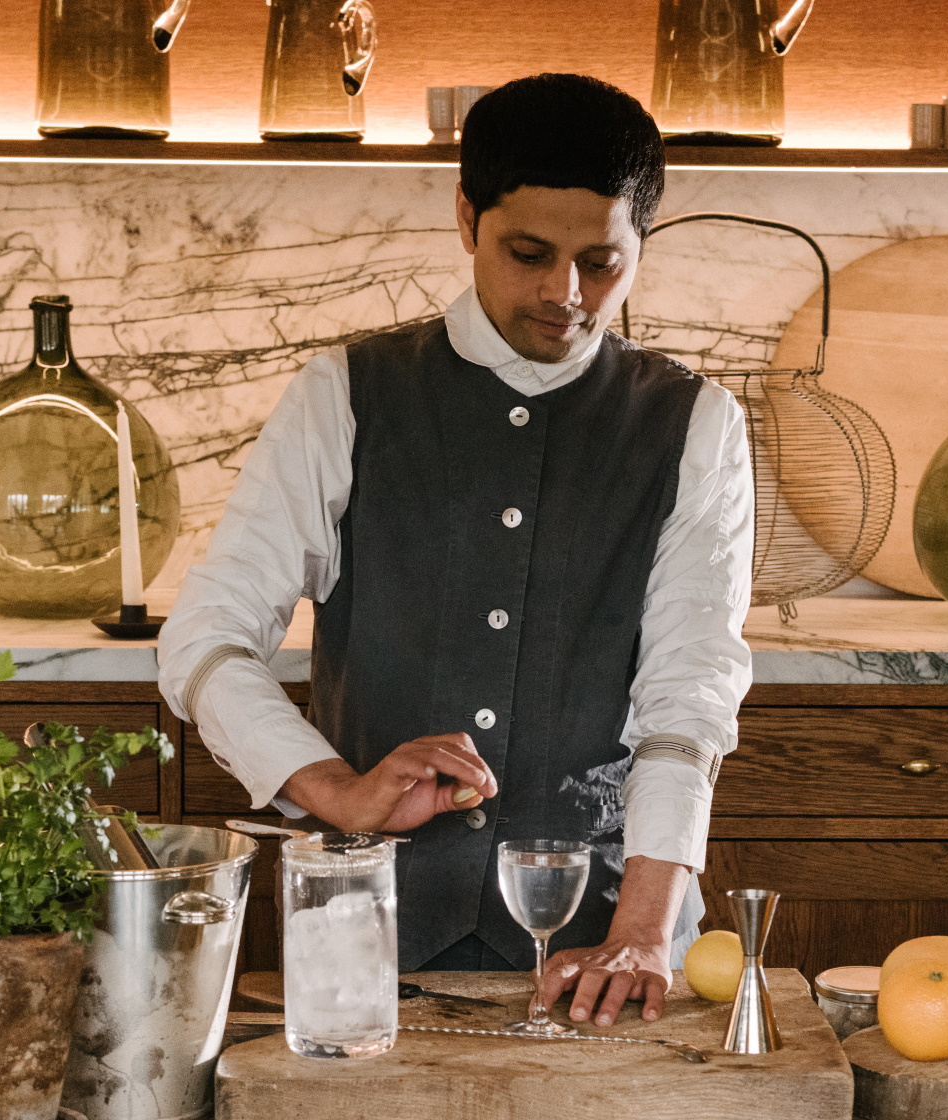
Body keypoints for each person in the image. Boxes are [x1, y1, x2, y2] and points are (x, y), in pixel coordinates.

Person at [159, 72, 751, 1030]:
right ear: (468, 218)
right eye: (529, 253)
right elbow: (205, 640)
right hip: (368, 937)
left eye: (602, 262)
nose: (566, 295)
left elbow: (690, 688)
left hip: (604, 949)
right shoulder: (344, 394)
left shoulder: (695, 424)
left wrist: (642, 925)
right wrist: (336, 793)